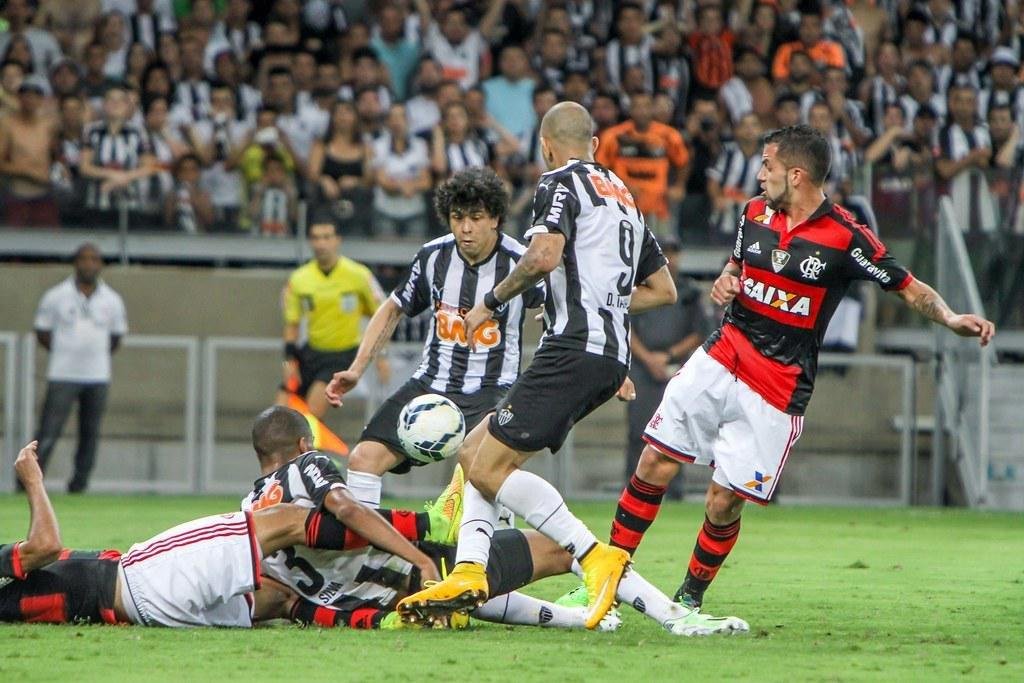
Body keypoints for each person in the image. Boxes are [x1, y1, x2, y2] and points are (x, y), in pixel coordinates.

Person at [591, 124, 993, 632]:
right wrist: (725, 279)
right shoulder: (753, 213)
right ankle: (603, 582)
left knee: (723, 500)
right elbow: (736, 266)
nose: (759, 176)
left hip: (776, 387)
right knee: (654, 461)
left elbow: (908, 288)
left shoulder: (846, 237)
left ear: (796, 175)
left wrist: (953, 317)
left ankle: (688, 598)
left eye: (768, 167)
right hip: (722, 355)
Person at [396, 101, 677, 631]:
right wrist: (599, 306)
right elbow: (663, 290)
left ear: (546, 147)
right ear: (594, 144)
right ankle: (469, 572)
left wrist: (492, 302)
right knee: (473, 452)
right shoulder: (626, 200)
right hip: (604, 352)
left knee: (488, 466)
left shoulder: (559, 183)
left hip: (572, 348)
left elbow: (542, 257)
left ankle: (595, 557)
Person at [241, 405, 719, 635]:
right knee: (558, 548)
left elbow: (270, 596)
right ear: (304, 445)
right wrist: (418, 548)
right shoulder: (307, 467)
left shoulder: (249, 512)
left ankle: (578, 620)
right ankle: (674, 616)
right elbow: (348, 510)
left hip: (385, 604)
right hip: (421, 568)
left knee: (477, 582)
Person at [0, 441, 438, 628]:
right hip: (138, 581)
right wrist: (33, 482)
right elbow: (45, 547)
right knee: (283, 521)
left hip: (144, 607)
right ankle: (432, 526)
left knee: (279, 598)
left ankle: (392, 620)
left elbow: (52, 565)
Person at [324, 168, 544, 510]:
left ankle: (496, 555)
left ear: (496, 219)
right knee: (363, 459)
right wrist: (356, 369)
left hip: (492, 391)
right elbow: (392, 309)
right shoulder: (433, 257)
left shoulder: (520, 262)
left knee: (483, 472)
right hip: (429, 385)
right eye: (457, 218)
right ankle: (365, 557)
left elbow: (561, 312)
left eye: (475, 217)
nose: (465, 228)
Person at [32, 243, 128, 493]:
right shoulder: (56, 296)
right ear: (75, 263)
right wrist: (68, 350)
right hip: (62, 373)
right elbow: (42, 332)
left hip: (97, 375)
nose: (89, 264)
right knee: (48, 432)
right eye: (84, 259)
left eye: (94, 259)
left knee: (90, 433)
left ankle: (79, 484)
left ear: (100, 265)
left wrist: (91, 353)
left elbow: (116, 338)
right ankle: (29, 486)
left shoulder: (112, 300)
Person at [623, 237, 709, 498]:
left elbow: (700, 332)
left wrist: (669, 355)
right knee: (639, 430)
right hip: (641, 366)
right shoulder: (638, 288)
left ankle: (672, 492)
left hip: (677, 369)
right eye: (666, 252)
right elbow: (625, 327)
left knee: (675, 433)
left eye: (674, 252)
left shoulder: (689, 292)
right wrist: (648, 358)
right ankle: (633, 490)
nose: (670, 259)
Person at [279, 220, 385, 420]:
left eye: (327, 237)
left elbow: (381, 316)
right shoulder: (299, 279)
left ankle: (307, 450)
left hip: (342, 354)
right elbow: (291, 325)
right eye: (316, 238)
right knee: (279, 411)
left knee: (309, 417)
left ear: (337, 240)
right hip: (310, 352)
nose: (321, 244)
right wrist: (288, 362)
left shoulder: (358, 275)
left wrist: (382, 355)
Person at [597, 90, 689, 239]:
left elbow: (683, 161)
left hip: (660, 207)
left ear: (652, 108)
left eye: (646, 106)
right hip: (623, 206)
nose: (642, 111)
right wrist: (618, 187)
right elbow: (600, 168)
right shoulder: (614, 136)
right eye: (637, 107)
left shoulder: (668, 135)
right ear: (630, 109)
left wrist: (679, 185)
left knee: (663, 250)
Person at [0, 77, 59, 227]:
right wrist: (29, 172)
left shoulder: (49, 125)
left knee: (50, 240)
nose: (30, 100)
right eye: (26, 95)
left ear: (41, 99)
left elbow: (58, 157)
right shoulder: (7, 125)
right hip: (16, 193)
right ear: (19, 98)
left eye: (35, 95)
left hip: (45, 193)